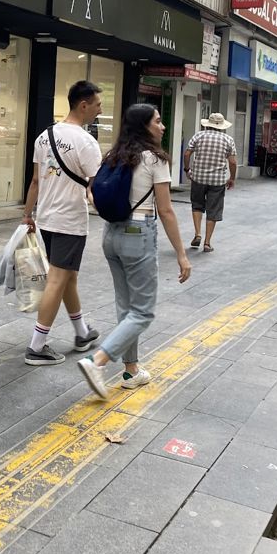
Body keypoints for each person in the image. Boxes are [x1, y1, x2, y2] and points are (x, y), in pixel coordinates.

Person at [77, 104, 191, 400]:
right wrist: (181, 253)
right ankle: (97, 361)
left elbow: (92, 193)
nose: (162, 126)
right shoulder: (154, 159)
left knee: (126, 307)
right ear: (144, 126)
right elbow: (166, 210)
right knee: (143, 312)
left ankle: (131, 370)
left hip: (110, 235)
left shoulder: (112, 156)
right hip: (138, 234)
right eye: (158, 121)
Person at [22, 80, 103, 366]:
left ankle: (82, 332)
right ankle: (36, 346)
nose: (100, 110)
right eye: (97, 105)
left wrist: (28, 215)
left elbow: (35, 181)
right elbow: (95, 187)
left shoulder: (44, 136)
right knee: (58, 278)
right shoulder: (87, 142)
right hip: (70, 219)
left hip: (46, 218)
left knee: (67, 276)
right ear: (83, 105)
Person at [183, 112, 237, 253]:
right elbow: (232, 162)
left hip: (198, 178)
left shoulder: (198, 136)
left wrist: (187, 169)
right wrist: (232, 178)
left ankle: (197, 234)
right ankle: (207, 243)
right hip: (217, 181)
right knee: (213, 210)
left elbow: (187, 154)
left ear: (208, 125)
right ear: (222, 126)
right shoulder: (228, 139)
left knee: (197, 205)